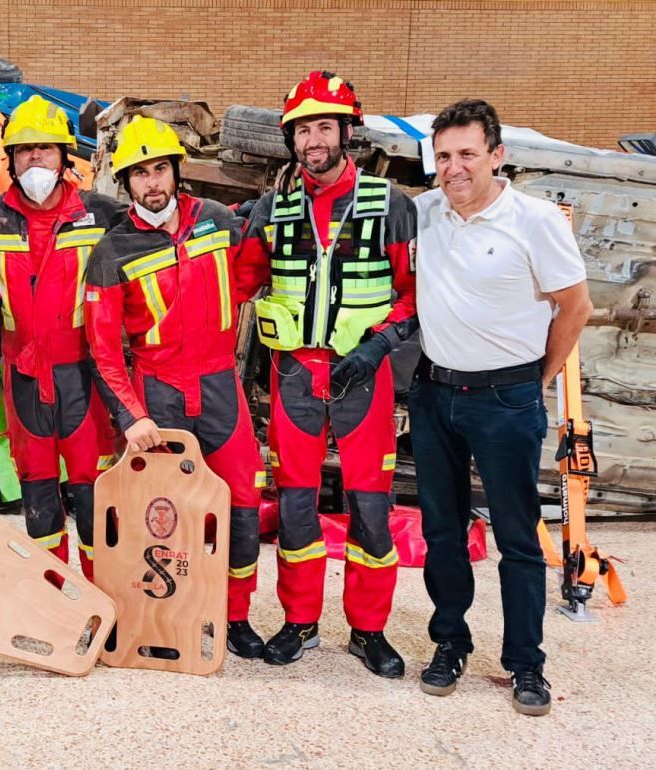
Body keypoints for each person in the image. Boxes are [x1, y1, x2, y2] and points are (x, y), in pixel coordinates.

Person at [410, 99, 590, 716]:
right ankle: (450, 643)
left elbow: (576, 307)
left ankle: (525, 663)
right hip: (435, 394)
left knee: (517, 536)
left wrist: (533, 377)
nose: (453, 168)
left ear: (496, 155)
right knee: (442, 530)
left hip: (506, 398)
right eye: (443, 156)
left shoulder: (535, 220)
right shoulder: (424, 211)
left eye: (466, 154)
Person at [238, 72, 417, 676]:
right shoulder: (272, 208)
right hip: (294, 375)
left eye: (324, 126)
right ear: (290, 139)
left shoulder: (392, 205)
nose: (314, 139)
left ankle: (369, 631)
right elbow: (238, 283)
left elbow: (415, 297)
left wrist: (380, 346)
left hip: (363, 373)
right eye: (303, 129)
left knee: (370, 505)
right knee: (293, 503)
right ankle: (300, 620)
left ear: (347, 132)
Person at [84, 116, 269, 658]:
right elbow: (101, 347)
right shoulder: (111, 252)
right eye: (139, 174)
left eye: (160, 168)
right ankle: (156, 612)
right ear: (126, 183)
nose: (152, 183)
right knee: (157, 510)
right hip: (157, 390)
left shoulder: (217, 221)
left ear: (176, 170)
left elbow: (251, 276)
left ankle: (233, 615)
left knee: (241, 499)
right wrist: (131, 417)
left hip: (219, 384)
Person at [0, 95, 123, 578]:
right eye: (24, 150)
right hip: (21, 378)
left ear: (64, 157)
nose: (34, 158)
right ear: (10, 160)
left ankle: (107, 599)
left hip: (83, 376)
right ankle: (54, 598)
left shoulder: (102, 215)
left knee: (92, 493)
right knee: (37, 494)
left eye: (45, 149)